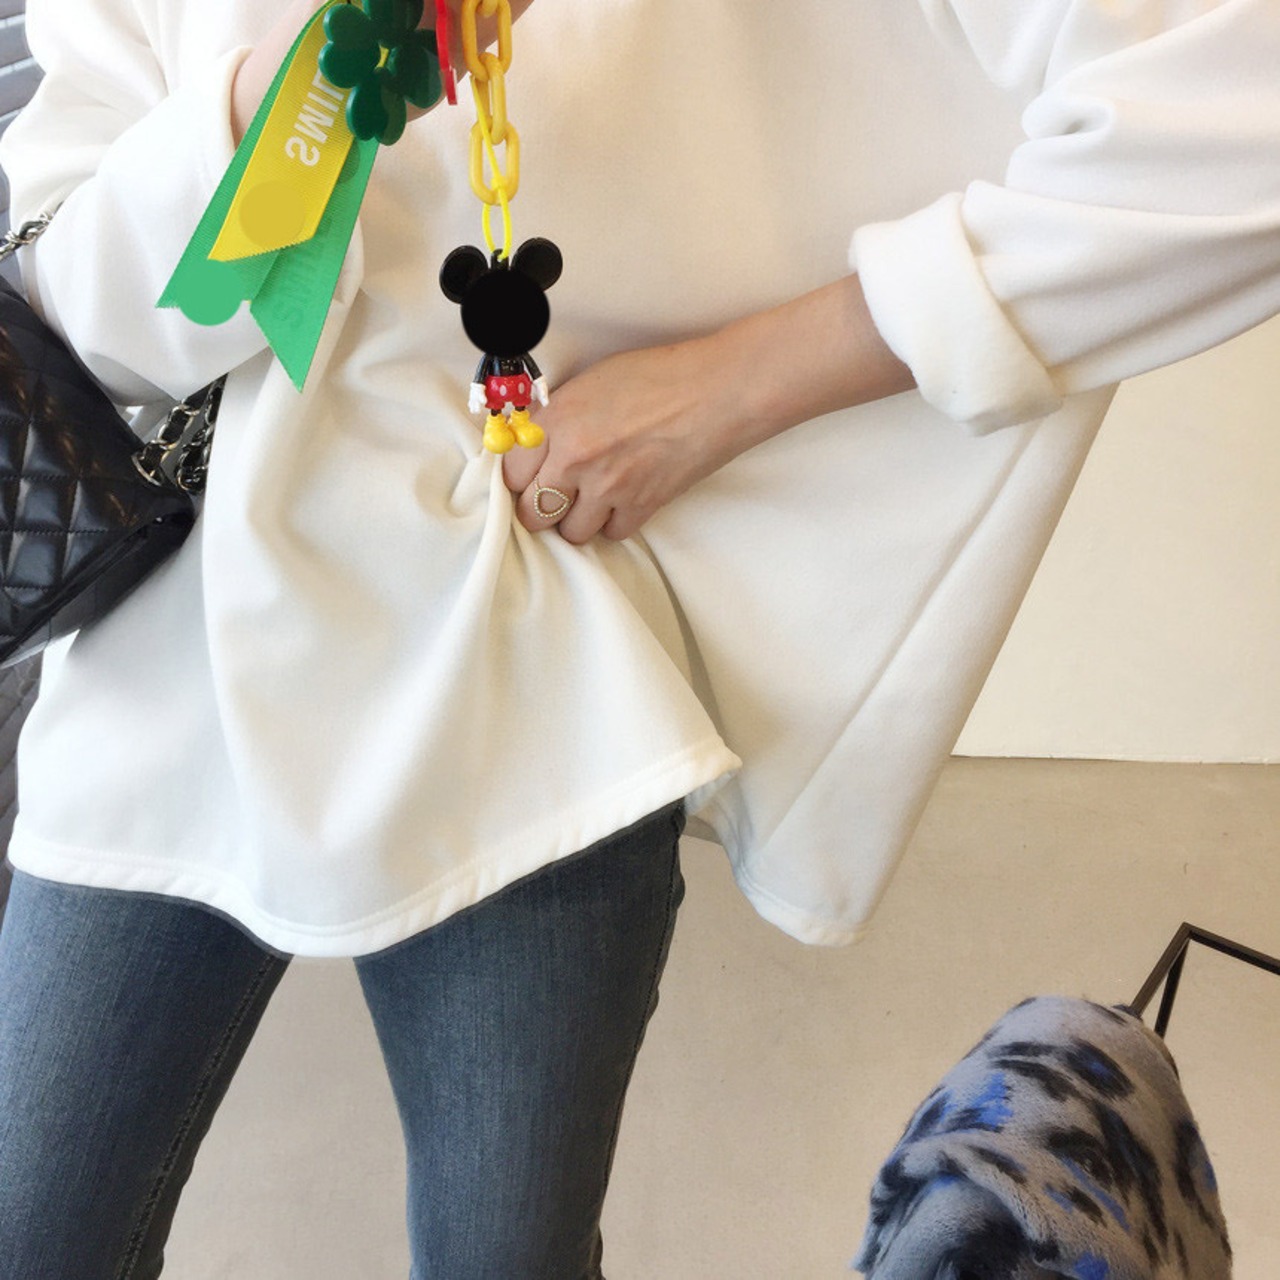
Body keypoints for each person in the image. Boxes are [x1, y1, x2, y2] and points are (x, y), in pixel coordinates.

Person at [0, 0, 1277, 1275]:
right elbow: (79, 316)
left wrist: (732, 384)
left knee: (507, 1256)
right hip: (179, 655)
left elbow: (1236, 133)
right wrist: (299, 101)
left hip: (533, 665)